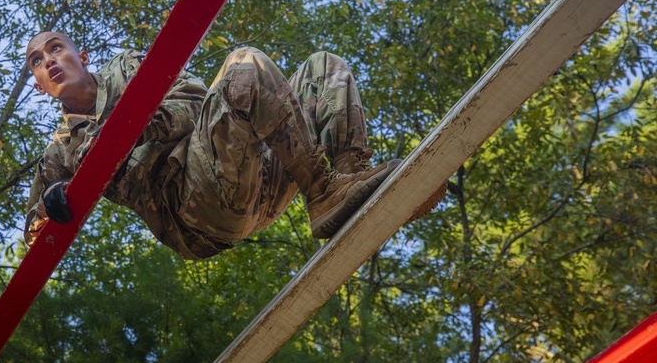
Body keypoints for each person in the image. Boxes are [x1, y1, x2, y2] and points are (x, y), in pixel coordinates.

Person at [23, 32, 443, 260]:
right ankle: (324, 191)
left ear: (83, 55)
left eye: (56, 48)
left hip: (243, 174)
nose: (50, 60)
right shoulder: (59, 152)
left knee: (322, 67)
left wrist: (129, 129)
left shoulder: (128, 68)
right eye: (38, 61)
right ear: (41, 87)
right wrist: (53, 202)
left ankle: (345, 178)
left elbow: (192, 102)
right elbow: (33, 231)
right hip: (192, 211)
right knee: (244, 64)